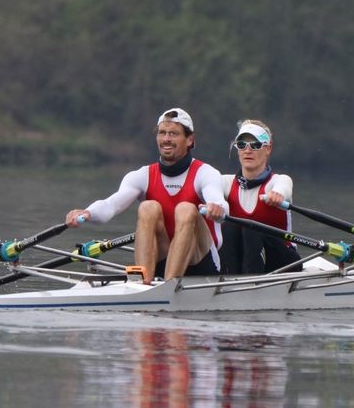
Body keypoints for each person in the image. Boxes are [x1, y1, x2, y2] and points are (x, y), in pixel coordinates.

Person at [66, 108, 227, 281]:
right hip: (163, 257)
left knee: (186, 209)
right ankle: (143, 282)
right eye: (162, 133)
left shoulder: (206, 173)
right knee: (147, 207)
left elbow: (220, 204)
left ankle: (167, 287)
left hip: (201, 262)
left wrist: (217, 209)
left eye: (173, 134)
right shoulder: (142, 175)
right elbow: (110, 206)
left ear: (190, 140)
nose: (166, 139)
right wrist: (87, 213)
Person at [218, 119, 302, 275]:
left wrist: (278, 194)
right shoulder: (225, 182)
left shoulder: (277, 181)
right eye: (242, 144)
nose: (247, 150)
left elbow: (285, 187)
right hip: (242, 261)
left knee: (252, 228)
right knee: (229, 227)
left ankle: (247, 286)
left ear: (268, 148)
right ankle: (228, 280)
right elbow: (204, 189)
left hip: (283, 264)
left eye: (255, 145)